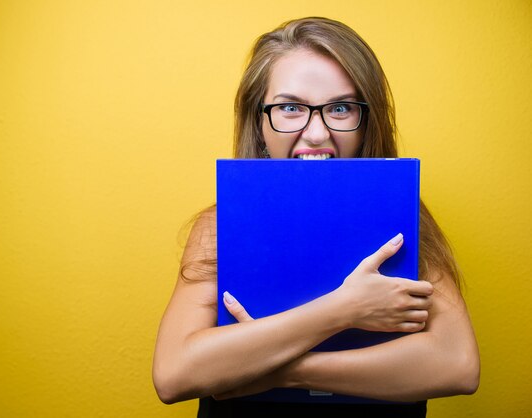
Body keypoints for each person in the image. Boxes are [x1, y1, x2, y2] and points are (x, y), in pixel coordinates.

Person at [152, 17, 480, 417]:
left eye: (340, 108)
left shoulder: (405, 217)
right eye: (291, 108)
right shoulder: (218, 227)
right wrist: (343, 309)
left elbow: (457, 365)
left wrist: (281, 371)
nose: (317, 133)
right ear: (259, 119)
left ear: (367, 119)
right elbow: (174, 375)